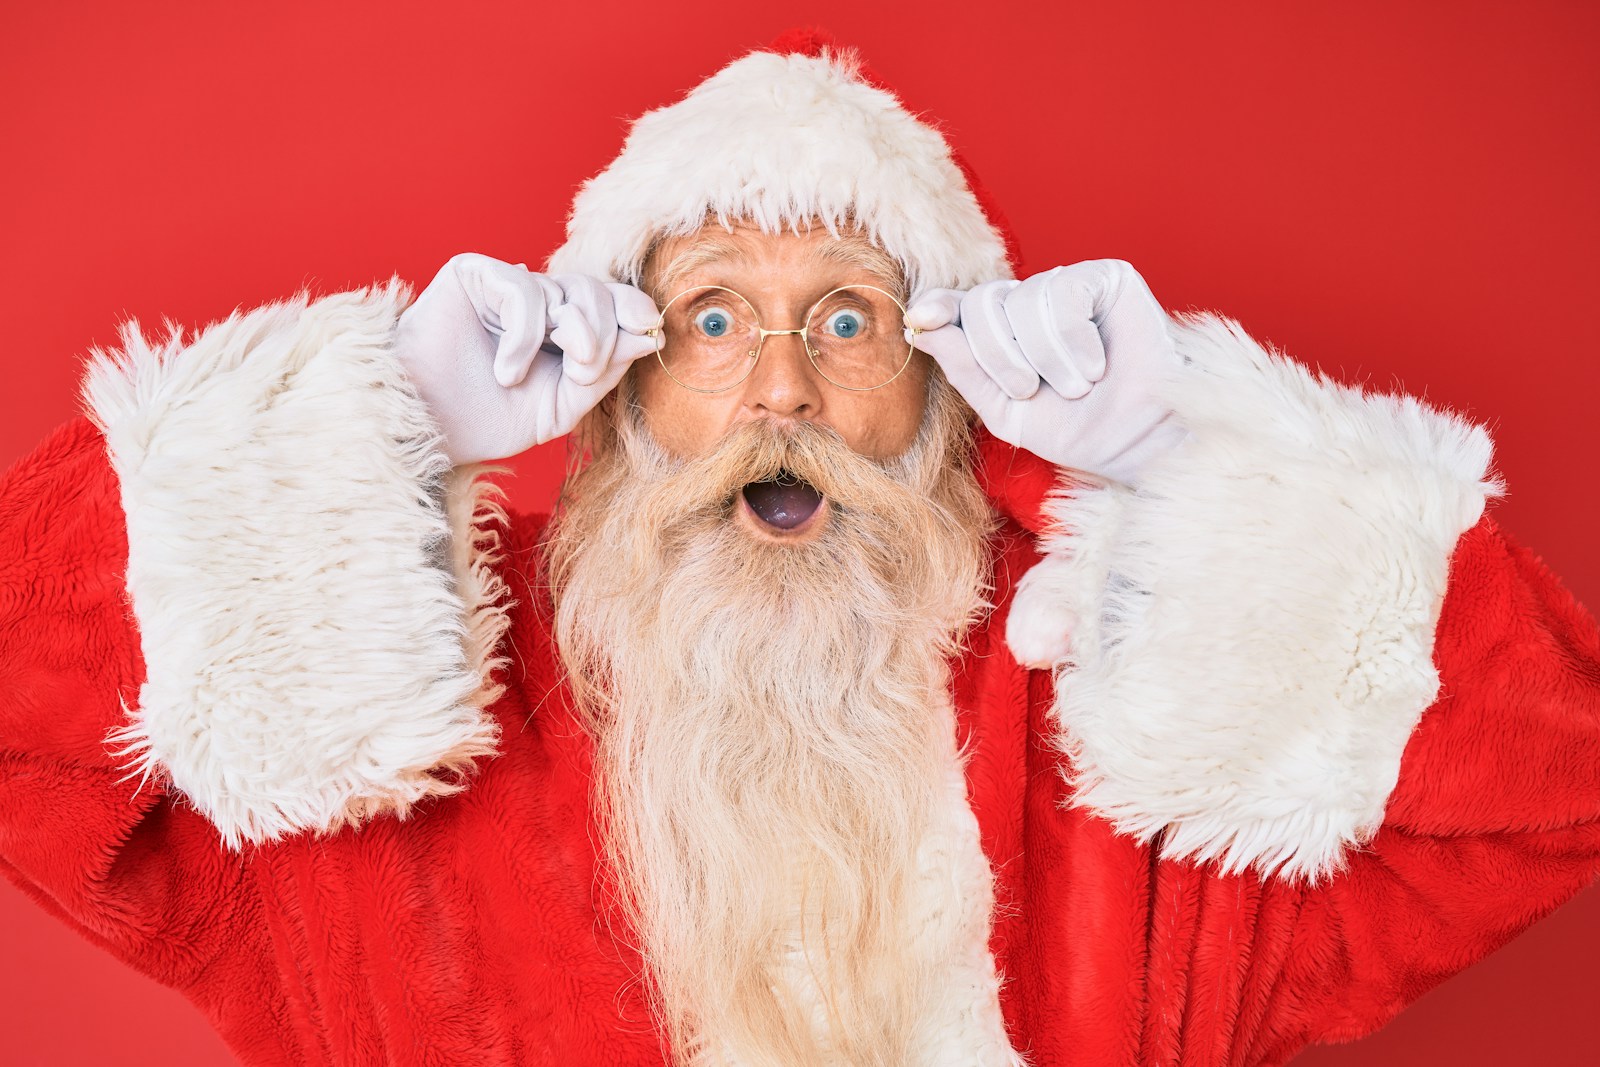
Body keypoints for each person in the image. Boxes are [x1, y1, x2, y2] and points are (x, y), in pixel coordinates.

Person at [2, 27, 1597, 1067]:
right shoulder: (410, 720)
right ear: (619, 378)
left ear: (946, 380)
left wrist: (1194, 452)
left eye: (849, 317)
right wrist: (368, 426)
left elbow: (1554, 786)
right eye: (711, 319)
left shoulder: (1120, 742)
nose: (781, 387)